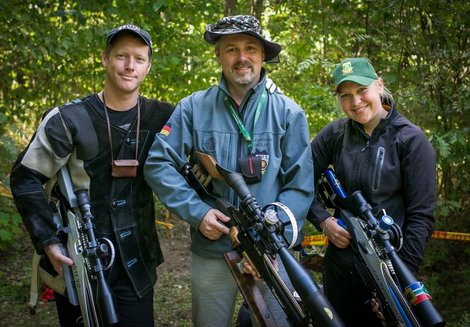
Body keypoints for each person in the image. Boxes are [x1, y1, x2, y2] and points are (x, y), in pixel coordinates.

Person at [144, 15, 314, 326]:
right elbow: (158, 163)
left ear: (263, 55)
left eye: (250, 47)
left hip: (272, 254)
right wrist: (198, 213)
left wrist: (275, 236)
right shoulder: (192, 108)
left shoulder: (289, 113)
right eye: (231, 49)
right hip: (213, 251)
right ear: (218, 55)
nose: (242, 57)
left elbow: (300, 184)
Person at [10, 24, 174, 326]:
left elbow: (194, 168)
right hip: (78, 259)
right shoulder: (67, 119)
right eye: (121, 56)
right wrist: (49, 242)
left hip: (138, 259)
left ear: (149, 66)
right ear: (104, 59)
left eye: (139, 58)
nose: (129, 65)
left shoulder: (164, 117)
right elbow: (26, 178)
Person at [307, 57, 437, 326]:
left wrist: (397, 281)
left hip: (389, 262)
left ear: (379, 85)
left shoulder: (411, 140)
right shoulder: (335, 134)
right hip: (340, 264)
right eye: (346, 95)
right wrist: (323, 220)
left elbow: (421, 216)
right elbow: (299, 183)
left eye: (361, 90)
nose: (355, 102)